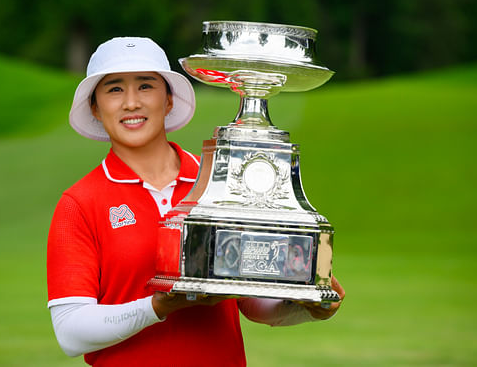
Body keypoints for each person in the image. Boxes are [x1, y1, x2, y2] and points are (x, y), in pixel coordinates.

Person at [46, 37, 345, 366]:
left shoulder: (221, 181)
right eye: (115, 89)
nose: (131, 103)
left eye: (146, 86)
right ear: (95, 108)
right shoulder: (79, 202)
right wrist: (157, 307)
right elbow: (71, 331)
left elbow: (251, 301)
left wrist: (308, 307)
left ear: (169, 99)